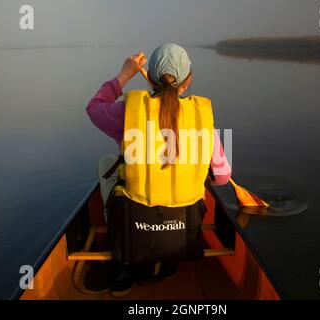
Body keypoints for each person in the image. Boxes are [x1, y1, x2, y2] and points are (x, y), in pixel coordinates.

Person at [86, 43, 231, 297]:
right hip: (185, 231)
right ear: (188, 81)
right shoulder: (203, 120)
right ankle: (165, 260)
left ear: (150, 80)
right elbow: (222, 177)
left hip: (134, 228)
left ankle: (119, 252)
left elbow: (94, 108)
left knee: (106, 161)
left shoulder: (126, 113)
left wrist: (125, 74)